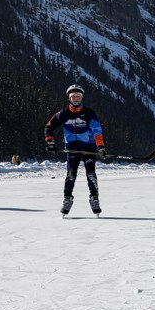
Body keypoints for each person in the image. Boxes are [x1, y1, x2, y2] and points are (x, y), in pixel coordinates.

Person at [44, 84, 106, 216]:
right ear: (69, 98)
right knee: (71, 175)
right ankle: (67, 199)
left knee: (91, 174)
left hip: (89, 147)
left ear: (82, 97)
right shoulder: (63, 113)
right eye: (73, 96)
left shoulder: (89, 113)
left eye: (78, 96)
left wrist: (100, 147)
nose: (76, 98)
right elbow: (49, 127)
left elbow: (97, 130)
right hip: (72, 148)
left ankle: (94, 198)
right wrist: (50, 142)